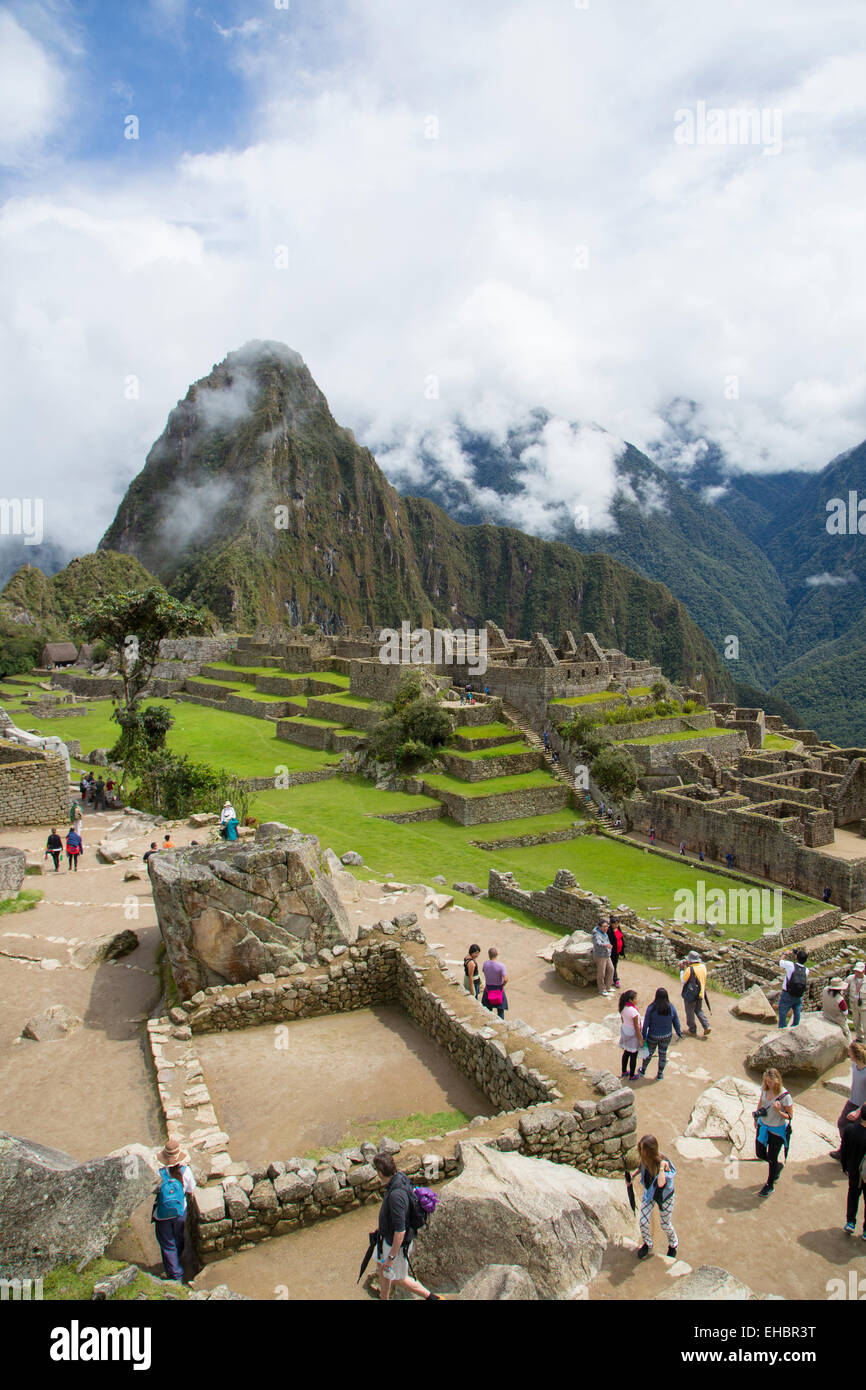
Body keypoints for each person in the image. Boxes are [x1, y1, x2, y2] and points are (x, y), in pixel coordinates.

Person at [372, 1153, 441, 1299]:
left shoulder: (396, 1195)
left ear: (379, 1173)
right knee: (381, 1267)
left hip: (394, 1245)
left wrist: (391, 1256)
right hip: (385, 1239)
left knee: (398, 1278)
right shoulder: (400, 1178)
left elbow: (400, 1231)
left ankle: (433, 1298)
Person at [152, 1137, 196, 1282]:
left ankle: (176, 1276)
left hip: (162, 1215)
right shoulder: (186, 1171)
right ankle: (179, 1257)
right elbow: (191, 1189)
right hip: (180, 1212)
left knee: (167, 1244)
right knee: (178, 1237)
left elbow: (154, 1190)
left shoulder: (159, 1174)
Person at [633, 1135, 678, 1260]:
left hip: (664, 1197)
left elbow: (660, 1183)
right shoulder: (645, 1159)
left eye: (641, 1149)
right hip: (650, 1194)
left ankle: (673, 1244)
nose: (639, 1151)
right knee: (643, 1222)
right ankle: (648, 1244)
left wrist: (662, 1168)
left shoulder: (663, 1163)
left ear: (648, 1151)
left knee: (665, 1224)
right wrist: (633, 1176)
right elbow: (641, 1166)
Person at [753, 1068, 793, 1197]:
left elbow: (790, 1116)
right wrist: (756, 1117)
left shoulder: (785, 1096)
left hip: (777, 1130)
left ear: (777, 1081)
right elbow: (761, 1103)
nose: (768, 1084)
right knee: (759, 1152)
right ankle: (777, 1167)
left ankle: (769, 1185)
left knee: (772, 1157)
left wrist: (778, 1111)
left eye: (770, 1082)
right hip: (763, 1125)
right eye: (766, 1081)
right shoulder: (764, 1089)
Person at [829, 1042, 866, 1157]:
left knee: (857, 1132)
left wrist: (859, 1111)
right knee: (842, 1124)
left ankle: (853, 1154)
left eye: (850, 1052)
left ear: (855, 1054)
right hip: (851, 1101)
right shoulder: (854, 1066)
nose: (848, 1054)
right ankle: (844, 1149)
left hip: (862, 1107)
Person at [638, 987, 683, 1079]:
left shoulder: (651, 1008)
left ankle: (643, 1070)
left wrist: (643, 1036)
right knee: (663, 1054)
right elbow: (676, 1022)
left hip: (653, 1035)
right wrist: (679, 1032)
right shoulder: (671, 1007)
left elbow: (646, 1024)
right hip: (666, 1035)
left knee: (648, 1054)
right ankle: (660, 1074)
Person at [838, 1105, 866, 1238]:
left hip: (854, 1171)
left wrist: (844, 1167)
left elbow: (844, 1150)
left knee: (853, 1195)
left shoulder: (850, 1129)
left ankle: (850, 1222)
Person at [680, 950, 711, 1037]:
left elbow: (683, 980)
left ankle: (692, 1030)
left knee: (689, 1012)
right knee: (698, 1010)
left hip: (691, 995)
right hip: (701, 993)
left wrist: (682, 970)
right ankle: (706, 1026)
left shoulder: (690, 969)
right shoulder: (703, 967)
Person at [778, 949, 809, 1029]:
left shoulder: (790, 965)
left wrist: (785, 953)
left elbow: (781, 962)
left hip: (787, 993)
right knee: (797, 1011)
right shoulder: (806, 970)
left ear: (796, 957)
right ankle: (795, 1026)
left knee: (782, 1011)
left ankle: (782, 1028)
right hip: (799, 994)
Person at [618, 990, 642, 1081]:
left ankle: (624, 1071)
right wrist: (640, 1039)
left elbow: (623, 1020)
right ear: (631, 1000)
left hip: (625, 1032)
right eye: (635, 998)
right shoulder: (634, 1012)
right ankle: (632, 1075)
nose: (637, 1000)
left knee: (626, 1052)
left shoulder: (623, 1008)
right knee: (633, 1055)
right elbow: (637, 1027)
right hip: (633, 1034)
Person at [481, 946, 508, 1020]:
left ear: (489, 955)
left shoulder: (485, 964)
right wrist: (503, 985)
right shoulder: (501, 966)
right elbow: (505, 979)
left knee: (488, 1010)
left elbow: (484, 971)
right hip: (498, 988)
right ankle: (501, 1024)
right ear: (497, 954)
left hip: (488, 988)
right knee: (500, 1010)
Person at [822, 977, 851, 1042]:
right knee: (847, 1033)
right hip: (837, 1018)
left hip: (826, 1014)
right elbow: (845, 1012)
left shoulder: (825, 990)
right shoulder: (840, 999)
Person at [592, 919, 614, 996]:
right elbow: (598, 943)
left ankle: (608, 987)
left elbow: (607, 941)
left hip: (606, 955)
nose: (606, 928)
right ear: (599, 927)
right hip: (600, 956)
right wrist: (605, 945)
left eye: (607, 926)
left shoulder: (605, 933)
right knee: (601, 973)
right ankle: (602, 989)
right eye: (604, 927)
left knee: (611, 970)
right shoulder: (597, 935)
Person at [845, 962, 866, 1042]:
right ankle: (859, 1038)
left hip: (864, 1006)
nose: (857, 973)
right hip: (854, 1005)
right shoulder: (850, 979)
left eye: (859, 971)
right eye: (856, 971)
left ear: (863, 971)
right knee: (856, 1023)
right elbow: (844, 989)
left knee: (865, 1024)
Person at [608, 918, 625, 987]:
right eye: (615, 923)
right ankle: (615, 980)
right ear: (611, 924)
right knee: (613, 966)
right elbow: (610, 940)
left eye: (617, 923)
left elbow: (621, 937)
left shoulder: (618, 928)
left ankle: (613, 979)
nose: (616, 925)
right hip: (612, 952)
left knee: (615, 965)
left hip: (618, 951)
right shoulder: (609, 931)